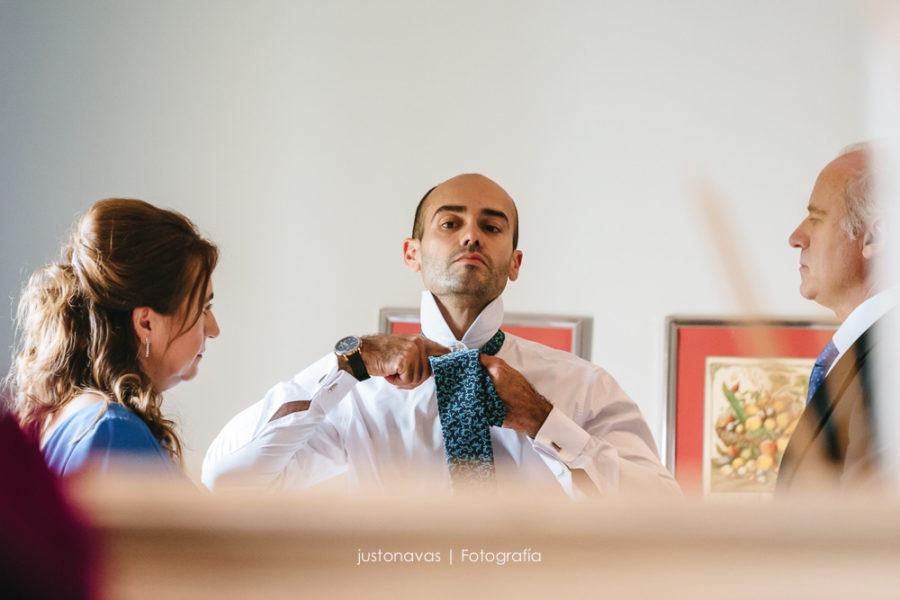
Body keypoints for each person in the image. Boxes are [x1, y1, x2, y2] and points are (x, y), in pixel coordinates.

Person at [202, 174, 679, 498]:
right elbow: (226, 479)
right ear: (412, 253)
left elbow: (664, 519)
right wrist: (351, 361)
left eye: (491, 226)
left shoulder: (583, 388)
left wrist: (543, 421)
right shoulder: (357, 397)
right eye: (450, 223)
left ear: (515, 263)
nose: (471, 236)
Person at [8, 198, 220, 477]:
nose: (214, 329)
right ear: (146, 323)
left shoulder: (66, 415)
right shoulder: (112, 434)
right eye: (204, 309)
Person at [777, 144, 894, 492]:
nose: (796, 237)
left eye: (816, 217)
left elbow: (870, 530)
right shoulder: (863, 355)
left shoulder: (890, 359)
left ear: (873, 236)